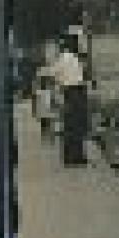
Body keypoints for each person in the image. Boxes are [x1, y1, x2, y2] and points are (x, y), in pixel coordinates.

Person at [51, 35, 91, 166]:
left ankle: (73, 156)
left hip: (72, 91)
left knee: (72, 125)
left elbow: (55, 75)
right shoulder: (67, 57)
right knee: (75, 126)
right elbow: (55, 74)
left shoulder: (69, 58)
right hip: (74, 92)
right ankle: (74, 156)